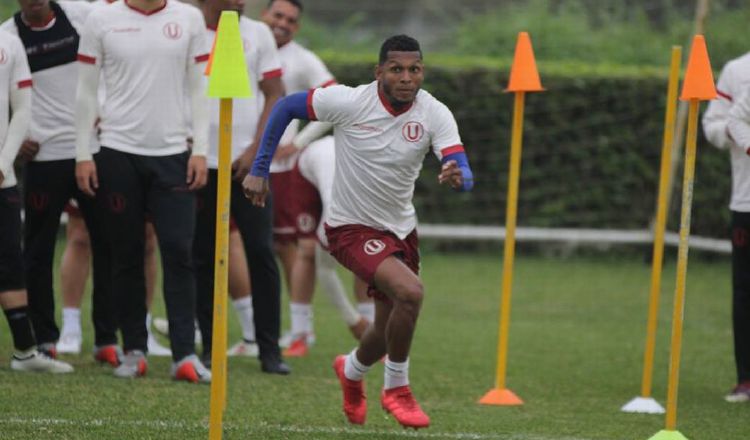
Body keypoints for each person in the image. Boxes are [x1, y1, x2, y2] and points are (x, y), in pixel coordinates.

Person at [244, 35, 473, 429]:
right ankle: (396, 389)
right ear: (379, 71)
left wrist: (458, 176)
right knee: (411, 293)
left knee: (384, 330)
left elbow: (461, 168)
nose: (406, 78)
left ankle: (350, 371)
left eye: (414, 69)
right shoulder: (350, 102)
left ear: (422, 72)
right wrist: (259, 168)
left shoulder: (434, 113)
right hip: (349, 228)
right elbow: (284, 107)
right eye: (396, 69)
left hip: (400, 230)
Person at [75, 0, 211, 382]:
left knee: (180, 252)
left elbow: (201, 87)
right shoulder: (101, 19)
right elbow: (85, 92)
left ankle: (185, 355)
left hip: (174, 155)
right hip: (116, 152)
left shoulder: (189, 18)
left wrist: (200, 149)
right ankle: (134, 351)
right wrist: (82, 153)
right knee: (126, 254)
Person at [1, 0, 122, 366]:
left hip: (93, 150)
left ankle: (106, 339)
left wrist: (107, 110)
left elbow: (117, 62)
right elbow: (10, 96)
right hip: (43, 157)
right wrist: (15, 138)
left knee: (107, 245)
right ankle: (45, 339)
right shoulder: (10, 35)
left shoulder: (81, 15)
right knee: (36, 251)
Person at [259, 0, 372, 358]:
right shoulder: (244, 44)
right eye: (278, 15)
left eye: (291, 20)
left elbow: (336, 98)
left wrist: (298, 142)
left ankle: (304, 332)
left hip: (285, 171)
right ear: (264, 15)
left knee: (305, 249)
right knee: (263, 249)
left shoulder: (302, 59)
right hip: (238, 161)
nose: (283, 24)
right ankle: (249, 329)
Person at [193, 0, 289, 374]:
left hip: (249, 168)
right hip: (202, 163)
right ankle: (206, 347)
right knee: (201, 255)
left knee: (261, 252)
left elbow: (275, 94)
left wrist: (256, 151)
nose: (242, 2)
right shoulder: (188, 26)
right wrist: (194, 150)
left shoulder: (258, 32)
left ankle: (269, 350)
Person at [0, 28, 73, 374]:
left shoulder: (9, 43)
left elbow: (22, 110)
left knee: (11, 261)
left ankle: (26, 352)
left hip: (3, 180)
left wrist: (3, 164)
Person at [708, 51, 750, 402]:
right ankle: (746, 380)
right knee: (745, 290)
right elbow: (716, 124)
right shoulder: (737, 70)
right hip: (746, 200)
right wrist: (743, 139)